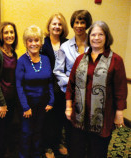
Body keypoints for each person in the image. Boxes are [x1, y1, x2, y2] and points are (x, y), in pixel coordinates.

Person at [65, 21, 127, 158]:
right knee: (76, 151)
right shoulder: (80, 59)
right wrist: (68, 107)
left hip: (103, 118)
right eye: (93, 34)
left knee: (97, 152)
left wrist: (119, 113)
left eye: (101, 34)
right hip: (79, 115)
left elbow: (121, 89)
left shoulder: (116, 60)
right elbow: (71, 84)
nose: (96, 38)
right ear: (89, 37)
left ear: (106, 37)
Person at [53, 10, 92, 153]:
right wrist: (71, 84)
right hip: (69, 95)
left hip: (90, 95)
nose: (79, 25)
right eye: (77, 22)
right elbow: (57, 71)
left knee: (88, 131)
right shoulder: (64, 47)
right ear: (73, 24)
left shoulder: (94, 44)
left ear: (87, 24)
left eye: (82, 22)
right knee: (71, 131)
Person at [16, 25, 54, 158]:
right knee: (26, 133)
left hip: (43, 103)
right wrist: (25, 107)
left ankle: (37, 155)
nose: (33, 43)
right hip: (27, 104)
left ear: (41, 42)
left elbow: (50, 81)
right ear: (26, 43)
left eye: (36, 40)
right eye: (30, 40)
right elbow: (19, 85)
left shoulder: (46, 59)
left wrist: (51, 100)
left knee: (38, 131)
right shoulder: (22, 61)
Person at [0, 21, 18, 158]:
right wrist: (2, 103)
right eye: (6, 32)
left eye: (12, 32)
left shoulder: (13, 53)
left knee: (9, 133)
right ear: (1, 35)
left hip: (11, 100)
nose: (9, 35)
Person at [41, 13, 69, 156]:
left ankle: (57, 143)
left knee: (60, 118)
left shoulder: (68, 43)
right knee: (48, 119)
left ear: (63, 27)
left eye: (59, 24)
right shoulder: (42, 43)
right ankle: (47, 147)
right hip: (46, 88)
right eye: (54, 24)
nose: (57, 27)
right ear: (49, 26)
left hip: (63, 88)